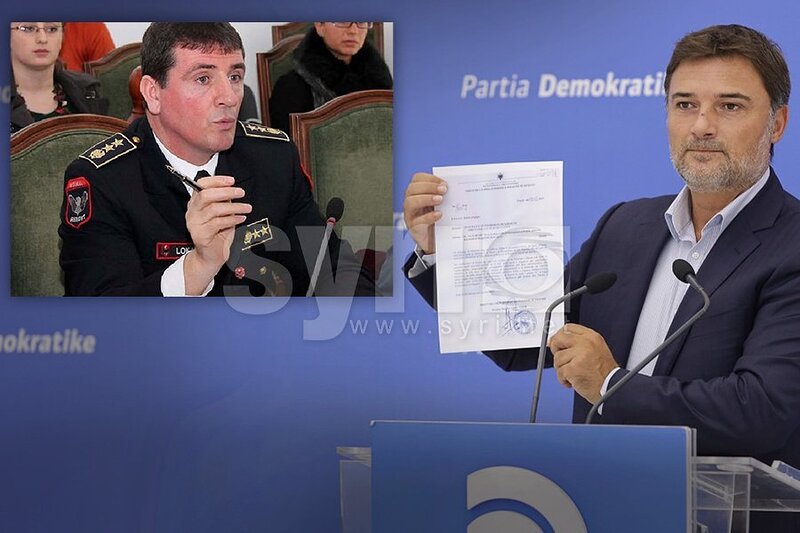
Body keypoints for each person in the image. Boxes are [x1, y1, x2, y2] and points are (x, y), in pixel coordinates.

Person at [403, 24, 799, 532]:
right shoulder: (626, 225)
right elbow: (526, 340)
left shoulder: (791, 244)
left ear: (777, 122)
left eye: (729, 106)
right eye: (684, 104)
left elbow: (762, 410)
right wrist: (442, 255)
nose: (702, 125)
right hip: (597, 510)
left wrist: (610, 384)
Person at [58, 22, 374, 297]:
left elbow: (334, 270)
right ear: (153, 93)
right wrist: (198, 265)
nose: (229, 97)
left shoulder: (273, 157)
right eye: (203, 79)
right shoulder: (104, 180)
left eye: (235, 76)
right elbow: (105, 316)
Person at [268, 22, 393, 135]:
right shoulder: (291, 87)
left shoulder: (379, 81)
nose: (353, 31)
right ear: (320, 26)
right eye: (343, 21)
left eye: (361, 22)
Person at [11, 21, 108, 133]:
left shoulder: (88, 91)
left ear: (62, 36)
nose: (42, 39)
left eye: (52, 29)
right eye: (28, 28)